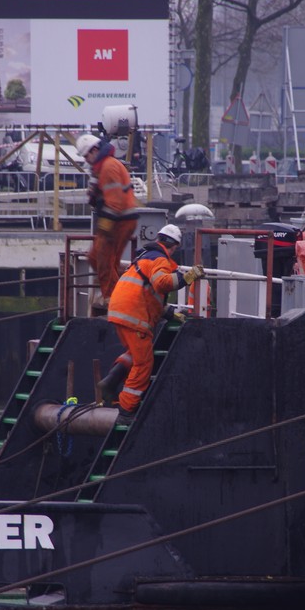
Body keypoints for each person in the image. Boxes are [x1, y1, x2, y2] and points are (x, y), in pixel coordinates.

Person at [99, 224, 205, 424]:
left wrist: (170, 313)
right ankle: (126, 411)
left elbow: (147, 293)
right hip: (134, 315)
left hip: (119, 311)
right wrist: (189, 276)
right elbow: (162, 283)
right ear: (174, 246)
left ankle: (111, 380)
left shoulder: (143, 258)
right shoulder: (160, 259)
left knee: (134, 352)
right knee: (144, 364)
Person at [77, 133, 140, 312]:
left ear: (94, 150)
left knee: (103, 259)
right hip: (117, 220)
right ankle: (123, 292)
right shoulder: (103, 167)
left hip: (119, 221)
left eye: (86, 156)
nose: (86, 160)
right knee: (97, 258)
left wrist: (104, 228)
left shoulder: (108, 167)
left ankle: (113, 298)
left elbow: (115, 201)